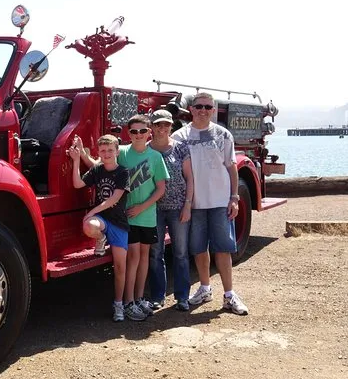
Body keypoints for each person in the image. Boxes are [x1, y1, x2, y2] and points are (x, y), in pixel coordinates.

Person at [76, 115, 168, 321]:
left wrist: (142, 207)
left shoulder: (155, 157)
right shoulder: (122, 152)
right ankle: (128, 302)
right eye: (134, 131)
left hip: (147, 215)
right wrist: (81, 155)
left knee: (144, 257)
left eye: (142, 131)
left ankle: (138, 298)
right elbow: (100, 164)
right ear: (129, 133)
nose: (138, 135)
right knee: (133, 258)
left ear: (149, 132)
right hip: (127, 217)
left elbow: (161, 188)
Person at [172, 92, 249, 315]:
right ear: (191, 109)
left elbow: (232, 167)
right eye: (199, 106)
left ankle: (229, 295)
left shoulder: (223, 135)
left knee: (223, 249)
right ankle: (204, 288)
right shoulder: (179, 137)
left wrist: (234, 198)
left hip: (219, 201)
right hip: (194, 203)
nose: (203, 111)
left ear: (213, 110)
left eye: (208, 107)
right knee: (198, 248)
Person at [68, 134, 130, 322]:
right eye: (103, 151)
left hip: (118, 222)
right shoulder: (97, 170)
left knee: (120, 267)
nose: (107, 153)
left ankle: (118, 304)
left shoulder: (123, 172)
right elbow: (78, 183)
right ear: (99, 153)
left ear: (117, 151)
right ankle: (101, 238)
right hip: (102, 220)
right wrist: (76, 159)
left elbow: (114, 199)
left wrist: (92, 211)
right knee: (89, 225)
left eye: (110, 150)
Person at [148, 110, 194, 311]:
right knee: (155, 253)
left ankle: (182, 296)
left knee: (181, 252)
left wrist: (188, 205)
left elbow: (190, 178)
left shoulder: (181, 148)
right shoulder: (145, 149)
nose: (162, 128)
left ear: (171, 126)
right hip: (153, 209)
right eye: (158, 124)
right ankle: (157, 296)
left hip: (178, 208)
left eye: (166, 124)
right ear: (152, 127)